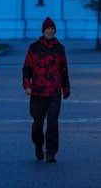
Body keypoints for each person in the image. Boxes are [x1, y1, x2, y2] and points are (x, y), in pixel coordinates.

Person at [23, 16, 70, 163]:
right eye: (48, 29)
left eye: (52, 29)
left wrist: (66, 87)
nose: (50, 31)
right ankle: (38, 144)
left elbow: (64, 70)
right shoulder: (34, 48)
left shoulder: (60, 48)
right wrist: (27, 85)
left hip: (54, 92)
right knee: (38, 123)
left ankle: (51, 152)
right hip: (38, 92)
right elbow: (27, 68)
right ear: (43, 30)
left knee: (52, 123)